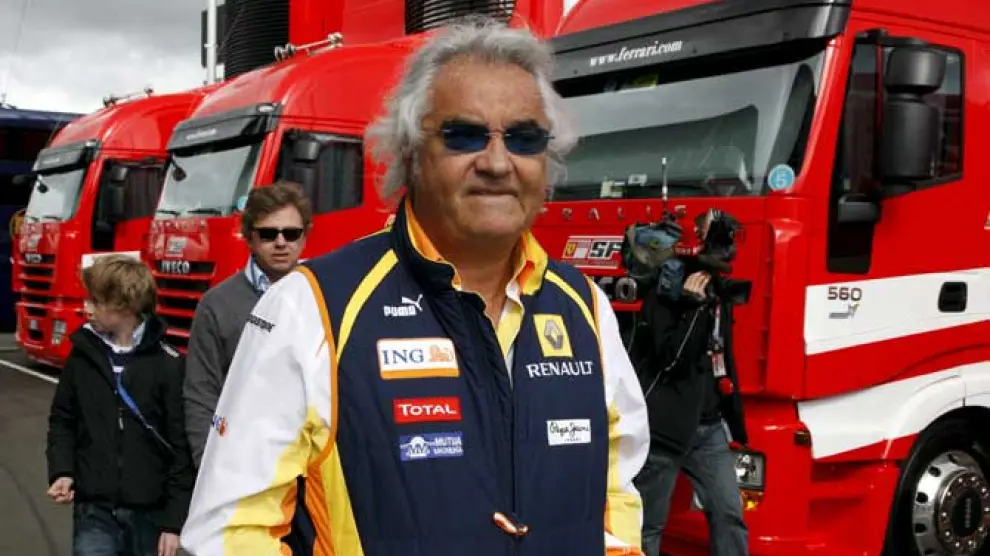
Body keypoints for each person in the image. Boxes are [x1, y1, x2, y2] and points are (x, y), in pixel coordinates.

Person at [180, 16, 649, 556]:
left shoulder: (586, 307)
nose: (498, 163)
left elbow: (617, 496)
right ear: (410, 154)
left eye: (524, 138)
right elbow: (228, 534)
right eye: (464, 135)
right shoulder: (310, 307)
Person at [45, 254, 192, 556]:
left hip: (151, 516)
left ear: (125, 306)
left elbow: (181, 448)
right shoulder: (82, 356)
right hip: (93, 511)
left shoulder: (169, 365)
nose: (86, 308)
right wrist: (63, 470)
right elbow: (63, 419)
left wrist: (173, 523)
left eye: (96, 301)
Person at [629, 213, 750, 556]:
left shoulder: (715, 295)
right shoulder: (664, 297)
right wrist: (692, 309)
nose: (725, 259)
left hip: (708, 428)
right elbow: (671, 361)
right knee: (648, 526)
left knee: (729, 513)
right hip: (664, 431)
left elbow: (723, 357)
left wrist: (734, 419)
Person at [182, 180, 311, 467]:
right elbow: (202, 395)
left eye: (291, 233)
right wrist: (209, 467)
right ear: (250, 238)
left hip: (310, 464)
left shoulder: (325, 296)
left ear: (304, 237)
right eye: (268, 234)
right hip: (244, 465)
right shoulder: (216, 305)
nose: (281, 242)